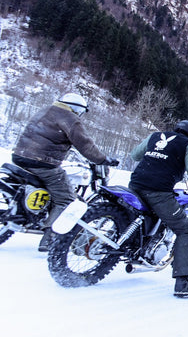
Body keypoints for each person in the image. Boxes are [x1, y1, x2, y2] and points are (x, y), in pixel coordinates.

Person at [11, 92, 118, 252]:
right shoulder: (70, 118)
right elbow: (84, 144)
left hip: (20, 156)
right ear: (77, 109)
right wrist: (102, 159)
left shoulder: (46, 110)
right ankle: (50, 237)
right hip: (42, 162)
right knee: (67, 199)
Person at [129, 120, 188, 297]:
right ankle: (183, 282)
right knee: (186, 230)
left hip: (135, 185)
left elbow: (135, 155)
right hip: (158, 191)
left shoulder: (155, 136)